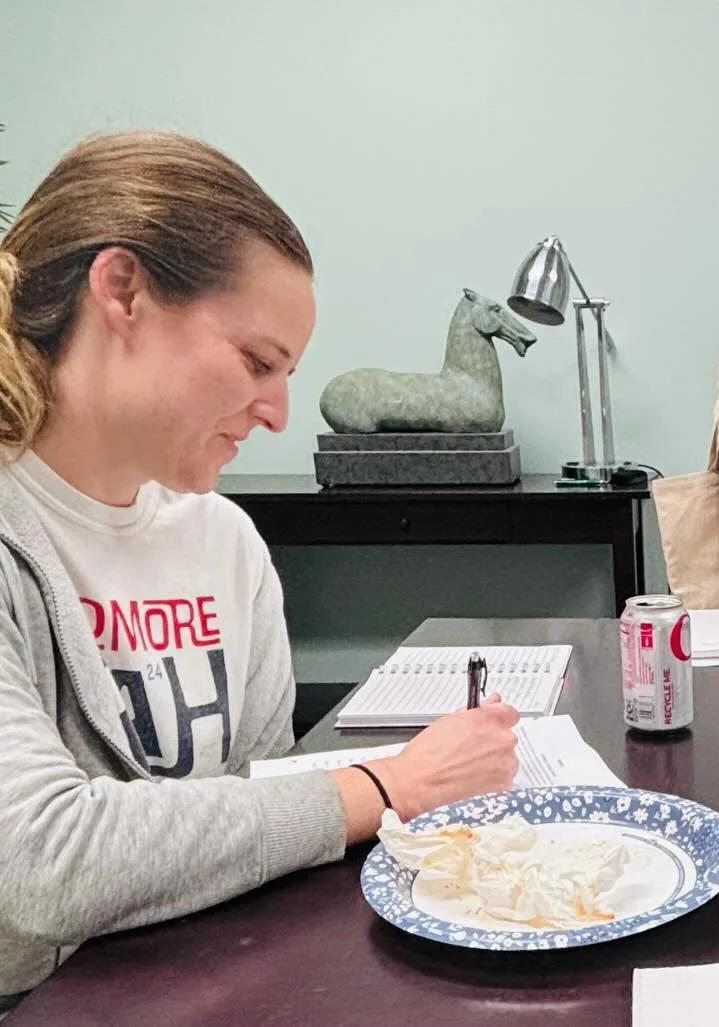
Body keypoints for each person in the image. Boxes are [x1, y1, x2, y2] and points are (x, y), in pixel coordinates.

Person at [0, 132, 519, 1005]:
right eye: (256, 362)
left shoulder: (225, 543)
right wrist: (388, 783)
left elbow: (261, 808)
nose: (278, 413)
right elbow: (44, 858)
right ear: (121, 290)